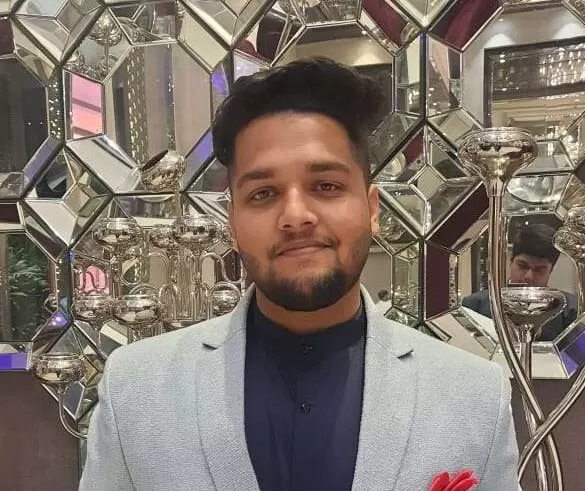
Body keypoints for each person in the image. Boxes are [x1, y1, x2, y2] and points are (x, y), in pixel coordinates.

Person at [79, 58, 520, 490]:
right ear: (232, 223)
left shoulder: (474, 397)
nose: (295, 215)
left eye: (326, 186)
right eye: (263, 193)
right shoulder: (135, 390)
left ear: (371, 210)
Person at [463, 223, 578, 341]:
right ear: (511, 262)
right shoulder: (474, 306)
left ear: (551, 270)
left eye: (539, 270)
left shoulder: (572, 310)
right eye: (522, 266)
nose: (529, 276)